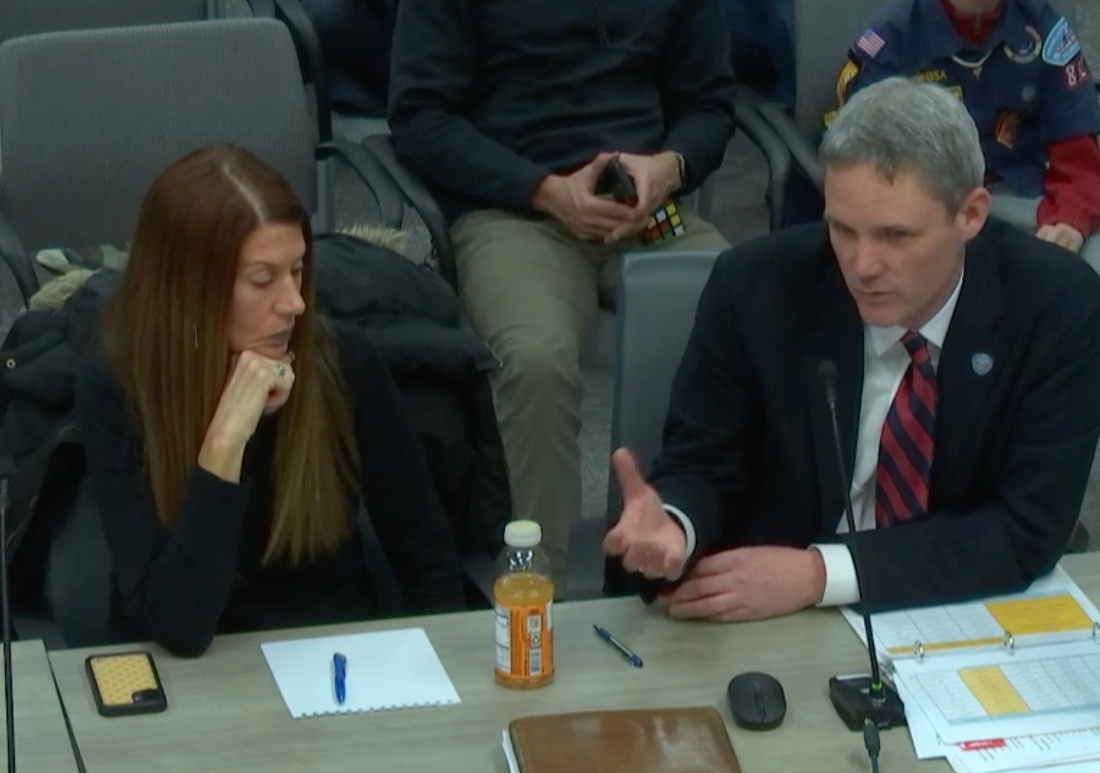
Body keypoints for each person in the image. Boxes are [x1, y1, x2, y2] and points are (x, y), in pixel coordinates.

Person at [604, 78, 1100, 618]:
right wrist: (676, 522)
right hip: (776, 618)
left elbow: (1026, 527)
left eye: (896, 236)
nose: (862, 266)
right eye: (843, 229)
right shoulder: (754, 287)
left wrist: (823, 573)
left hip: (954, 608)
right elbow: (704, 467)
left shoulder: (1056, 305)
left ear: (971, 216)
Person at [388, 0, 737, 592]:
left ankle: (707, 553)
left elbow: (710, 104)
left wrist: (670, 168)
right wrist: (545, 191)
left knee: (745, 316)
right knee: (535, 359)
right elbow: (421, 118)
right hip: (515, 207)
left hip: (646, 207)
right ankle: (537, 588)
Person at [75, 145, 466, 656]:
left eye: (298, 269)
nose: (295, 303)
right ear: (188, 288)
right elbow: (178, 628)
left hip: (330, 659)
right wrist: (226, 439)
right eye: (263, 280)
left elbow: (427, 559)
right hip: (186, 675)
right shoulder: (119, 386)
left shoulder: (341, 363)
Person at [833, 0, 1100, 268]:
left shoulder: (1042, 27)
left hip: (1028, 202)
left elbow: (1079, 155)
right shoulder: (890, 42)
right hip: (931, 209)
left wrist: (1069, 217)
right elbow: (863, 168)